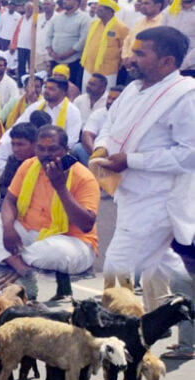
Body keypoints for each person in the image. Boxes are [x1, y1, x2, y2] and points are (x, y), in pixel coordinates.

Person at [90, 27, 195, 358]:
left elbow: (190, 154)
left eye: (140, 53)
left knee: (117, 264)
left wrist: (131, 160)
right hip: (129, 194)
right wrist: (103, 146)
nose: (130, 59)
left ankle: (118, 343)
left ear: (166, 61)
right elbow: (109, 123)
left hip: (160, 200)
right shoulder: (134, 89)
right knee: (164, 266)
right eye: (132, 51)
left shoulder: (185, 96)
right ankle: (179, 332)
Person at [0, 125, 100, 299]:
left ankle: (5, 255)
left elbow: (86, 225)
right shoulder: (29, 166)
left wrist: (60, 187)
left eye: (52, 149)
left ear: (66, 149)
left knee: (55, 252)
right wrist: (8, 229)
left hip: (70, 241)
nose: (46, 154)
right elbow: (10, 201)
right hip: (29, 233)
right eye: (41, 149)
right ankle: (21, 266)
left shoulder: (84, 177)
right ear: (35, 148)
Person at [0, 77, 82, 172]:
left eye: (51, 89)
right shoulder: (36, 106)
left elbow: (71, 140)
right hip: (31, 146)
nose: (46, 91)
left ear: (63, 92)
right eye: (46, 87)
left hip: (53, 151)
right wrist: (3, 141)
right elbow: (18, 126)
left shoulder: (73, 112)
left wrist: (49, 148)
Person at [80, 0, 129, 91]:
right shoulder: (94, 24)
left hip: (108, 70)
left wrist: (119, 64)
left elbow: (125, 49)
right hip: (89, 67)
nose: (96, 11)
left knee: (104, 95)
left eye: (100, 9)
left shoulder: (121, 27)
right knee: (86, 93)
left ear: (109, 11)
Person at [0, 118, 50, 197]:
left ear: (34, 144)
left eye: (20, 145)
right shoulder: (13, 160)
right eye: (13, 144)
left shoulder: (44, 163)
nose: (15, 149)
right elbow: (3, 186)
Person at [47, 0, 92, 90]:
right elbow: (49, 36)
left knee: (70, 88)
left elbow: (83, 39)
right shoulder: (57, 17)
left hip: (73, 61)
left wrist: (66, 55)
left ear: (76, 2)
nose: (64, 1)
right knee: (54, 87)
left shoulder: (84, 18)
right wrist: (51, 52)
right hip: (55, 59)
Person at [121, 0, 163, 84]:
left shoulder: (163, 23)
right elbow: (128, 40)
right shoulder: (139, 21)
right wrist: (125, 56)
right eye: (142, 3)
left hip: (148, 70)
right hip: (131, 67)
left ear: (158, 5)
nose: (143, 6)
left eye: (147, 3)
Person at [161, 0, 194, 78]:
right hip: (167, 66)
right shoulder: (169, 11)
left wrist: (181, 65)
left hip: (191, 69)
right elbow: (161, 37)